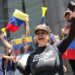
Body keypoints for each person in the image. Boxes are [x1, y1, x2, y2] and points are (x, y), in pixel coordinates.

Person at [12, 5, 75, 74]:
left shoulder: (57, 48)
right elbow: (26, 72)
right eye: (38, 33)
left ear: (48, 36)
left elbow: (71, 36)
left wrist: (74, 17)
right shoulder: (32, 55)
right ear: (36, 37)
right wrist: (16, 62)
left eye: (43, 33)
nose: (40, 34)